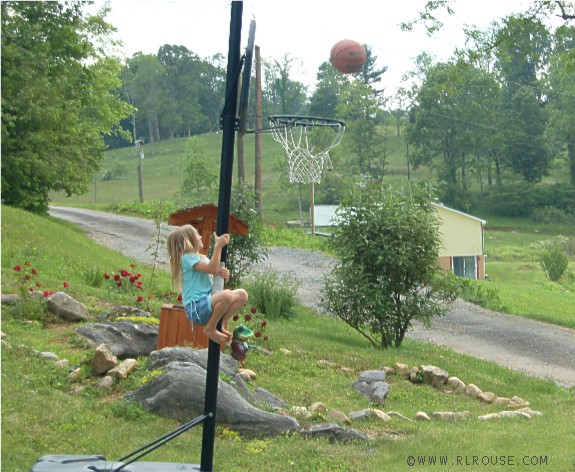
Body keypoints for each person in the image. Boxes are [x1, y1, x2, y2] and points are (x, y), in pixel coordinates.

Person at [167, 224, 248, 344]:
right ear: (187, 242)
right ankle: (210, 328)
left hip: (207, 302)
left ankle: (219, 325)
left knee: (242, 294)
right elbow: (213, 269)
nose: (200, 236)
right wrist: (218, 246)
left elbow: (214, 275)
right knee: (227, 295)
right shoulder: (186, 258)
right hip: (196, 308)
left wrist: (223, 276)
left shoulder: (202, 258)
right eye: (196, 235)